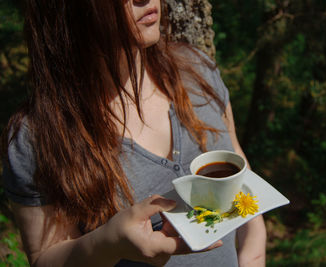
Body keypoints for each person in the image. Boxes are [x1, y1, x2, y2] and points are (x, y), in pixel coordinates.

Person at [1, 0, 267, 266]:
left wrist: (253, 252)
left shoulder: (199, 71)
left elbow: (243, 177)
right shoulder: (38, 136)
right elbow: (45, 257)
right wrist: (107, 243)